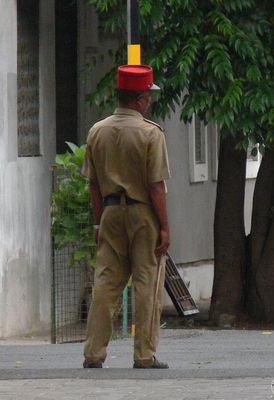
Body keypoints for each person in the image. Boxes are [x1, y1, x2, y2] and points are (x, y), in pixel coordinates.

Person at [81, 65, 171, 369]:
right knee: (147, 283)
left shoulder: (97, 131)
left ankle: (94, 353)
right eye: (148, 97)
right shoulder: (150, 133)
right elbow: (156, 185)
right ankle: (144, 355)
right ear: (141, 100)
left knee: (106, 283)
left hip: (109, 212)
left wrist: (98, 222)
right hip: (143, 213)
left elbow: (93, 183)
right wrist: (165, 226)